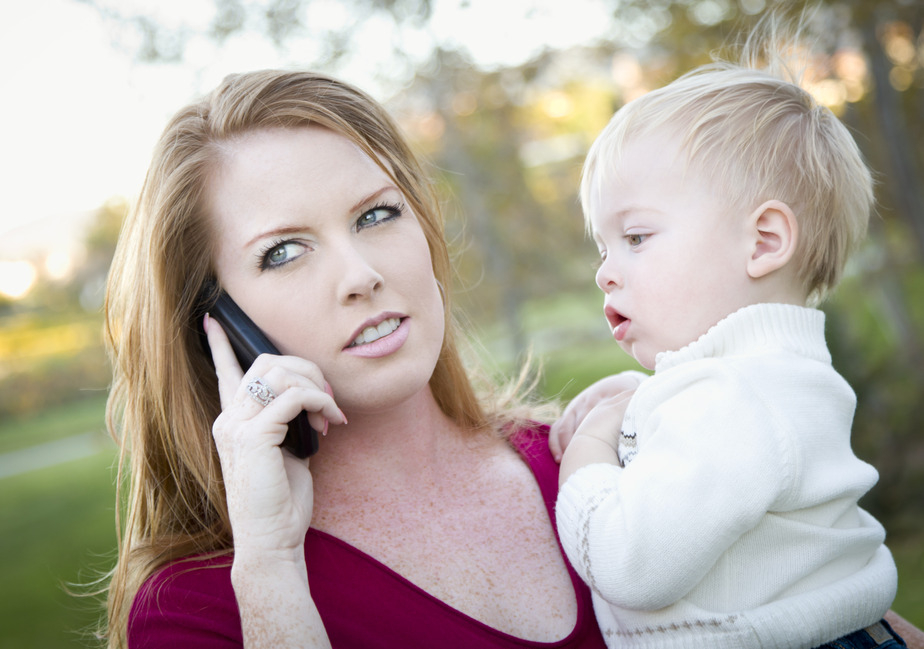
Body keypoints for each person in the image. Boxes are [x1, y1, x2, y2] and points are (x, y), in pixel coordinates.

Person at [101, 69, 610, 648]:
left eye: (376, 215)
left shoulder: (586, 463)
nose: (361, 277)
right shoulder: (194, 611)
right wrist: (272, 571)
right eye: (284, 252)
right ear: (218, 322)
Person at [549, 17, 907, 649]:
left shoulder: (735, 402)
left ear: (763, 241)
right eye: (603, 248)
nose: (606, 272)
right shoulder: (757, 387)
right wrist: (637, 399)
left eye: (635, 237)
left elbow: (633, 564)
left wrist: (593, 448)